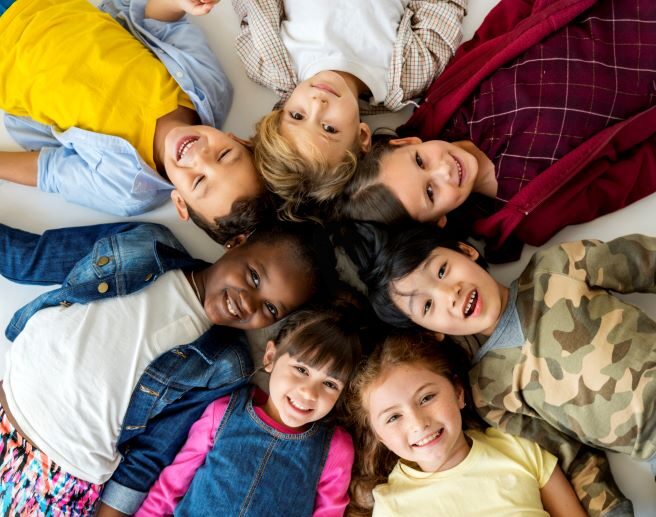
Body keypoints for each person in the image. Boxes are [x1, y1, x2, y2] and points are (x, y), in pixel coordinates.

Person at [0, 219, 338, 515]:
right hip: (8, 401)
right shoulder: (146, 242)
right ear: (237, 241)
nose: (248, 303)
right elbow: (34, 258)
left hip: (60, 476)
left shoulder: (225, 364)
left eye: (271, 309)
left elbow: (152, 453)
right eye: (253, 276)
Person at [337, 221, 656, 516]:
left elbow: (645, 262)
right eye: (427, 306)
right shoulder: (490, 389)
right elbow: (569, 455)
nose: (449, 294)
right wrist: (609, 508)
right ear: (429, 331)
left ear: (466, 250)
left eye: (442, 270)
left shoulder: (557, 267)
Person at [336, 0, 656, 261]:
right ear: (438, 221)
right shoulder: (531, 213)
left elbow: (505, 22)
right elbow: (631, 176)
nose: (444, 170)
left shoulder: (451, 100)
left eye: (420, 161)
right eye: (431, 192)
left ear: (408, 142)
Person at [0, 0, 267, 244]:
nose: (199, 156)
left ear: (180, 203)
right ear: (237, 139)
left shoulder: (126, 190)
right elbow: (162, 23)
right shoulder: (212, 88)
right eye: (223, 155)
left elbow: (49, 172)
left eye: (198, 181)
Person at [231, 0, 466, 219]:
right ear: (362, 135)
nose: (318, 104)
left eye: (297, 115)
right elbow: (443, 8)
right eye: (329, 128)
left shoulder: (269, 63)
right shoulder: (408, 76)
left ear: (281, 108)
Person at [134, 301, 364, 516]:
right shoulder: (223, 411)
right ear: (271, 357)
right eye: (301, 370)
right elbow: (170, 487)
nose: (309, 393)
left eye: (330, 384)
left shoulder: (335, 447)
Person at [346, 331, 586, 517]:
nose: (418, 423)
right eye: (393, 417)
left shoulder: (519, 449)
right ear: (379, 436)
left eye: (427, 398)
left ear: (458, 392)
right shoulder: (390, 507)